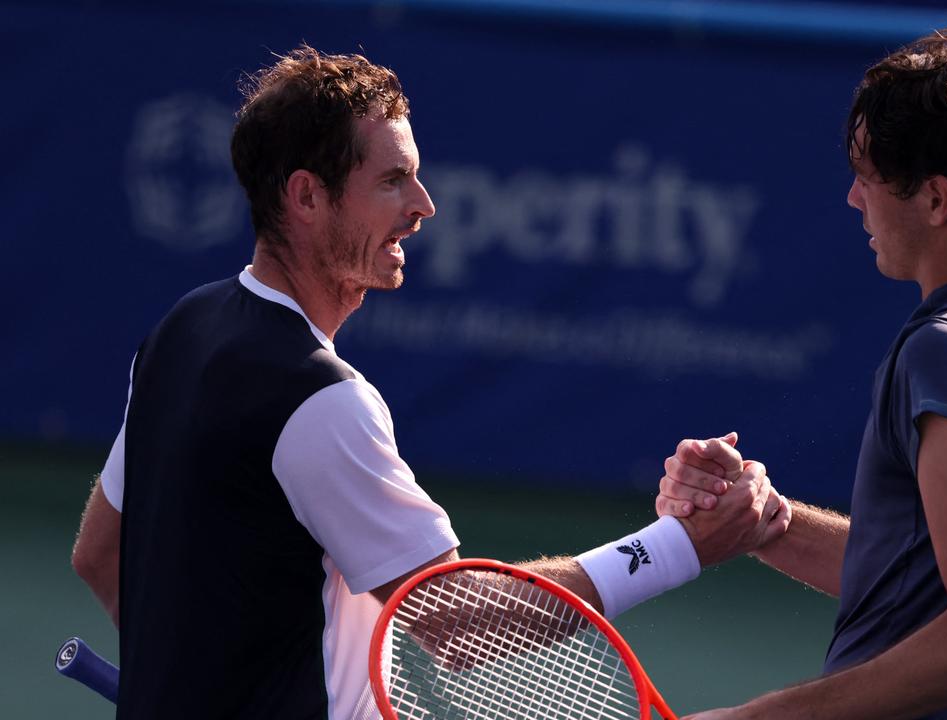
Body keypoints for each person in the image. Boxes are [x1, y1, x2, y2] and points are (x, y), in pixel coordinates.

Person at [70, 46, 788, 719]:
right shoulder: (318, 401)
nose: (424, 203)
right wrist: (679, 547)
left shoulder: (181, 329)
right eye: (391, 181)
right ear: (306, 197)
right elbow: (459, 624)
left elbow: (99, 556)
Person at [658, 28, 947, 719]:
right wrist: (770, 524)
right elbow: (943, 575)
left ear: (938, 201)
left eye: (869, 175)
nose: (855, 199)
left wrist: (753, 717)